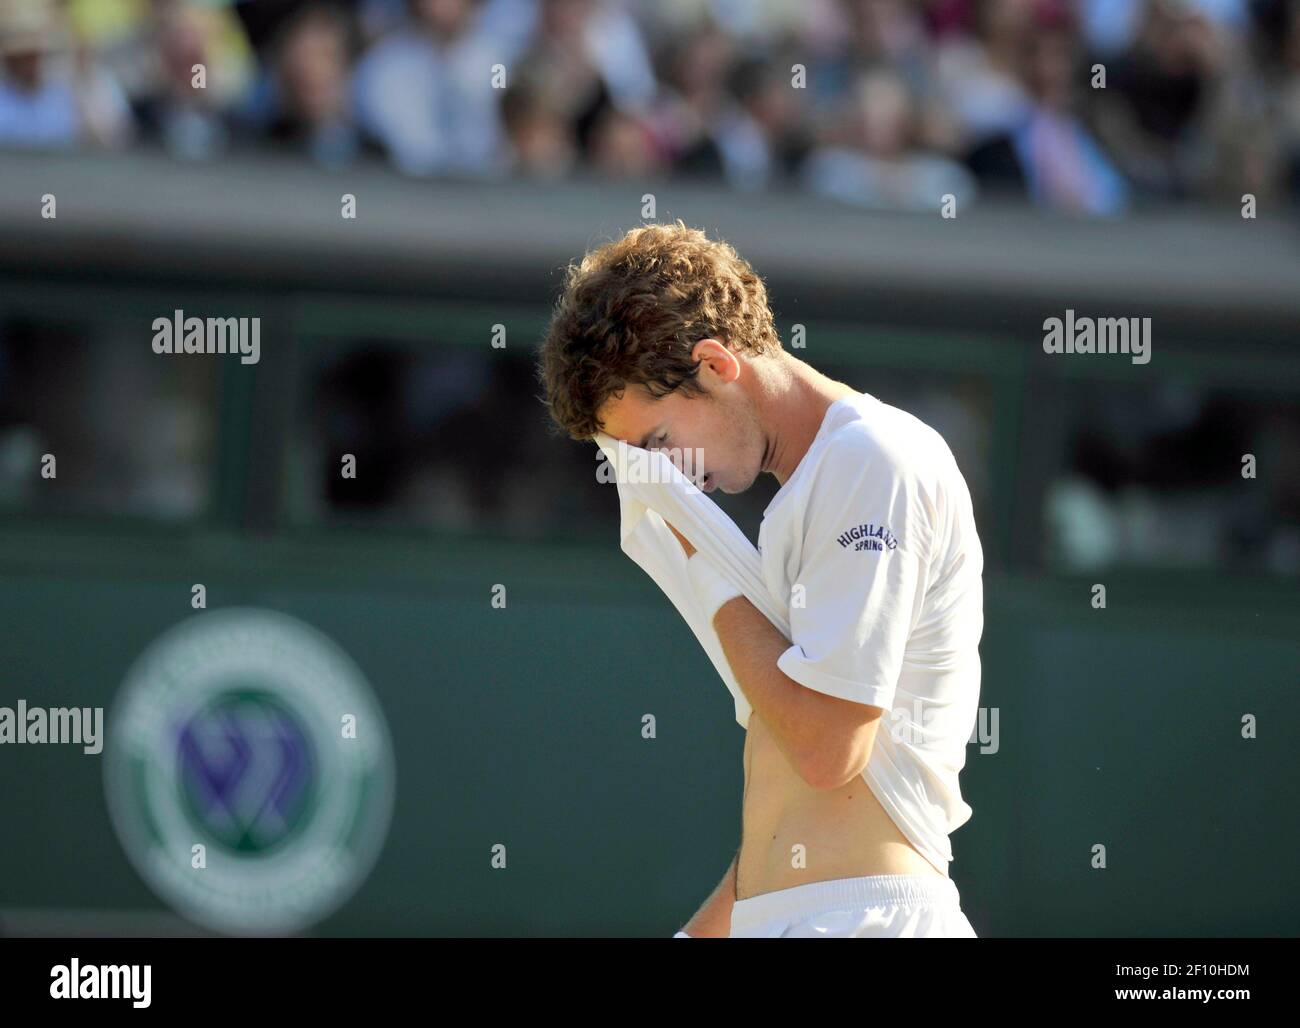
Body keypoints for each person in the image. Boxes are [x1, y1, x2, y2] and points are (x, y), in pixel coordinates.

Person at [537, 221, 983, 938]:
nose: (662, 483)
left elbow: (826, 750)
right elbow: (786, 816)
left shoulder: (873, 459)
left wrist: (701, 564)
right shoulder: (802, 502)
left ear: (715, 364)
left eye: (656, 446)